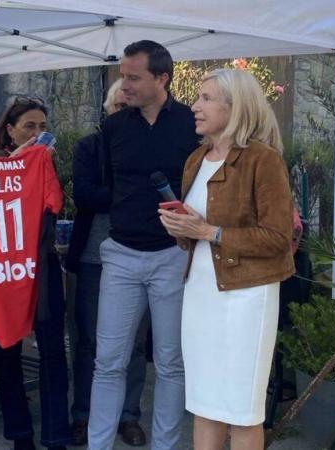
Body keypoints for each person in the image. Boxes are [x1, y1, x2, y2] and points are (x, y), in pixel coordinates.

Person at [158, 68, 295, 450]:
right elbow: (196, 237)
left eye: (205, 99)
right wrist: (182, 230)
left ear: (234, 108)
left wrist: (209, 232)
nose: (194, 107)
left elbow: (277, 238)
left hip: (246, 297)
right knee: (204, 404)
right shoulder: (196, 159)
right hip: (200, 291)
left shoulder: (262, 160)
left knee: (241, 409)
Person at [87, 40, 200, 450]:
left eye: (134, 77)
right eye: (124, 75)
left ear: (162, 78)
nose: (125, 84)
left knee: (171, 364)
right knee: (108, 363)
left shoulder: (193, 123)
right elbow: (104, 186)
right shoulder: (113, 128)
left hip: (174, 256)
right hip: (120, 256)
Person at [65, 78, 148, 447]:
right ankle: (84, 414)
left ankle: (128, 416)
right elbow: (83, 194)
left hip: (143, 254)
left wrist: (119, 197)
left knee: (135, 343)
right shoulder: (90, 146)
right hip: (94, 257)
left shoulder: (149, 147)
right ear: (107, 111)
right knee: (90, 342)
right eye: (117, 109)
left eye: (129, 111)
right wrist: (130, 196)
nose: (121, 116)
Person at [0, 97, 72, 450]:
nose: (37, 134)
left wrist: (40, 165)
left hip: (42, 265)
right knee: (7, 350)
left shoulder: (43, 163)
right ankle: (20, 434)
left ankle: (56, 436)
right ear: (10, 131)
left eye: (42, 127)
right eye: (29, 127)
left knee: (52, 349)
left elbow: (55, 204)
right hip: (4, 269)